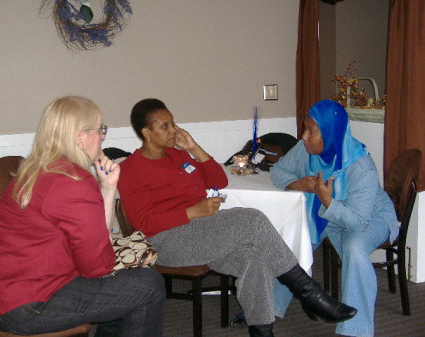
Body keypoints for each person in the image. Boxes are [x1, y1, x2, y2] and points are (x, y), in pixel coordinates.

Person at [117, 98, 357, 337]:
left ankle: (263, 332)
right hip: (168, 242)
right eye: (165, 126)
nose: (174, 130)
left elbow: (218, 181)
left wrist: (193, 147)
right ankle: (311, 294)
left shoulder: (178, 156)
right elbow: (143, 224)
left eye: (173, 123)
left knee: (255, 258)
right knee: (252, 219)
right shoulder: (131, 169)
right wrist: (192, 211)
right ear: (146, 132)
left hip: (202, 232)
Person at [0, 96, 165, 337]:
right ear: (80, 137)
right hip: (27, 306)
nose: (103, 136)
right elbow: (98, 267)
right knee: (148, 286)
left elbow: (96, 243)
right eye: (100, 129)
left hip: (9, 297)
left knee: (128, 287)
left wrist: (107, 188)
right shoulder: (71, 182)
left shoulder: (41, 170)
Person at [269, 100, 398, 337]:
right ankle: (267, 310)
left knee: (355, 246)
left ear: (330, 132)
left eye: (311, 131)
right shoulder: (304, 149)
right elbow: (278, 171)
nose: (304, 136)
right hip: (326, 215)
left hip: (371, 217)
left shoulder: (360, 166)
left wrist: (328, 201)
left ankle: (357, 328)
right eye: (304, 129)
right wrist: (299, 184)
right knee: (292, 240)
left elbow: (359, 222)